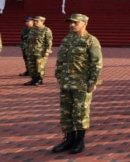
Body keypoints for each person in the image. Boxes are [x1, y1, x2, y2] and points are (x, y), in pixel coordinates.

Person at [51, 14, 103, 154]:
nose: (72, 25)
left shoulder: (91, 41)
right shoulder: (67, 40)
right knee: (66, 112)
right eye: (70, 23)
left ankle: (79, 141)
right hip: (66, 83)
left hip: (81, 84)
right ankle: (69, 139)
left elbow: (96, 63)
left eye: (75, 22)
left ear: (84, 23)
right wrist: (59, 77)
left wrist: (92, 82)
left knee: (80, 112)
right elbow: (60, 60)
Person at [25, 16, 53, 86]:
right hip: (31, 51)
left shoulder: (46, 30)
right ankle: (33, 79)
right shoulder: (32, 29)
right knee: (31, 66)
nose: (35, 22)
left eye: (37, 21)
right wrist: (27, 49)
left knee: (39, 66)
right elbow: (29, 41)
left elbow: (49, 42)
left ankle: (39, 80)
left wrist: (47, 51)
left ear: (42, 22)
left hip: (40, 52)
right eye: (34, 21)